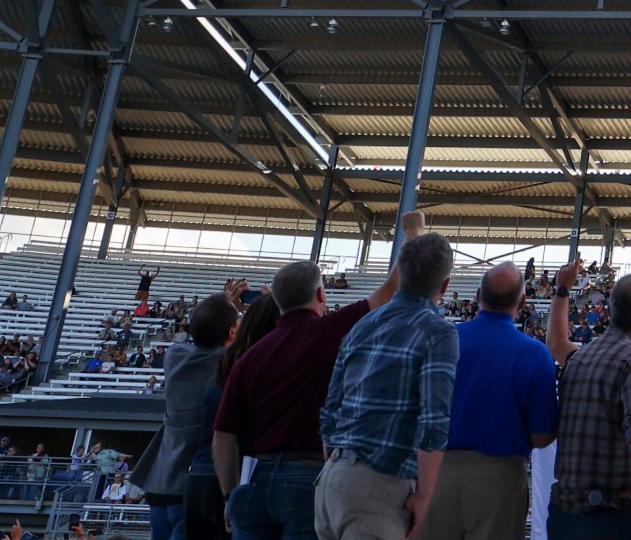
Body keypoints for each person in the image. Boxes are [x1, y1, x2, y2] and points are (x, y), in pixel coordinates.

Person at [215, 210, 423, 540]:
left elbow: (223, 437)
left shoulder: (247, 358)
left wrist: (229, 496)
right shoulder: (327, 332)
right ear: (322, 295)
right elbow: (392, 289)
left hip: (254, 480)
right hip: (307, 477)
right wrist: (413, 232)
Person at [316, 230, 460, 540]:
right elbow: (434, 422)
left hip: (333, 478)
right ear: (445, 286)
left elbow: (330, 410)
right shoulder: (438, 332)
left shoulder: (362, 325)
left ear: (400, 274)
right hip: (379, 485)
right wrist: (423, 498)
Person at [419, 263, 556, 540]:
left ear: (478, 296)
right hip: (499, 479)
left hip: (435, 471)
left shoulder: (443, 340)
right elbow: (542, 437)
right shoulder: (535, 353)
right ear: (522, 301)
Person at [551, 264, 631, 540]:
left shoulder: (579, 358)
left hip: (565, 510)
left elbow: (556, 342)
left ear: (610, 311)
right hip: (613, 515)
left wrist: (562, 291)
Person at [135, 286, 245, 540]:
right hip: (192, 489)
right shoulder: (228, 363)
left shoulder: (175, 357)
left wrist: (224, 306)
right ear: (231, 332)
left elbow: (205, 332)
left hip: (160, 482)